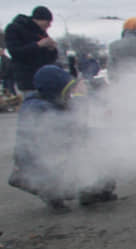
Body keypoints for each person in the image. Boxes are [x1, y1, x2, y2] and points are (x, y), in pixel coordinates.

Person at [8, 65, 116, 210]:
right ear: (56, 89)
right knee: (95, 150)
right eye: (68, 90)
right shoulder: (37, 108)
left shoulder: (50, 100)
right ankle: (37, 183)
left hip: (52, 157)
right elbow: (70, 130)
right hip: (42, 162)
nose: (70, 93)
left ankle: (95, 190)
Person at [4, 6, 59, 99]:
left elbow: (51, 58)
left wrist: (52, 49)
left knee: (48, 108)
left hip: (45, 78)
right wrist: (38, 45)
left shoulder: (41, 32)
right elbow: (15, 52)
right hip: (28, 78)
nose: (49, 26)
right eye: (48, 22)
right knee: (33, 106)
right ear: (39, 19)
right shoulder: (14, 28)